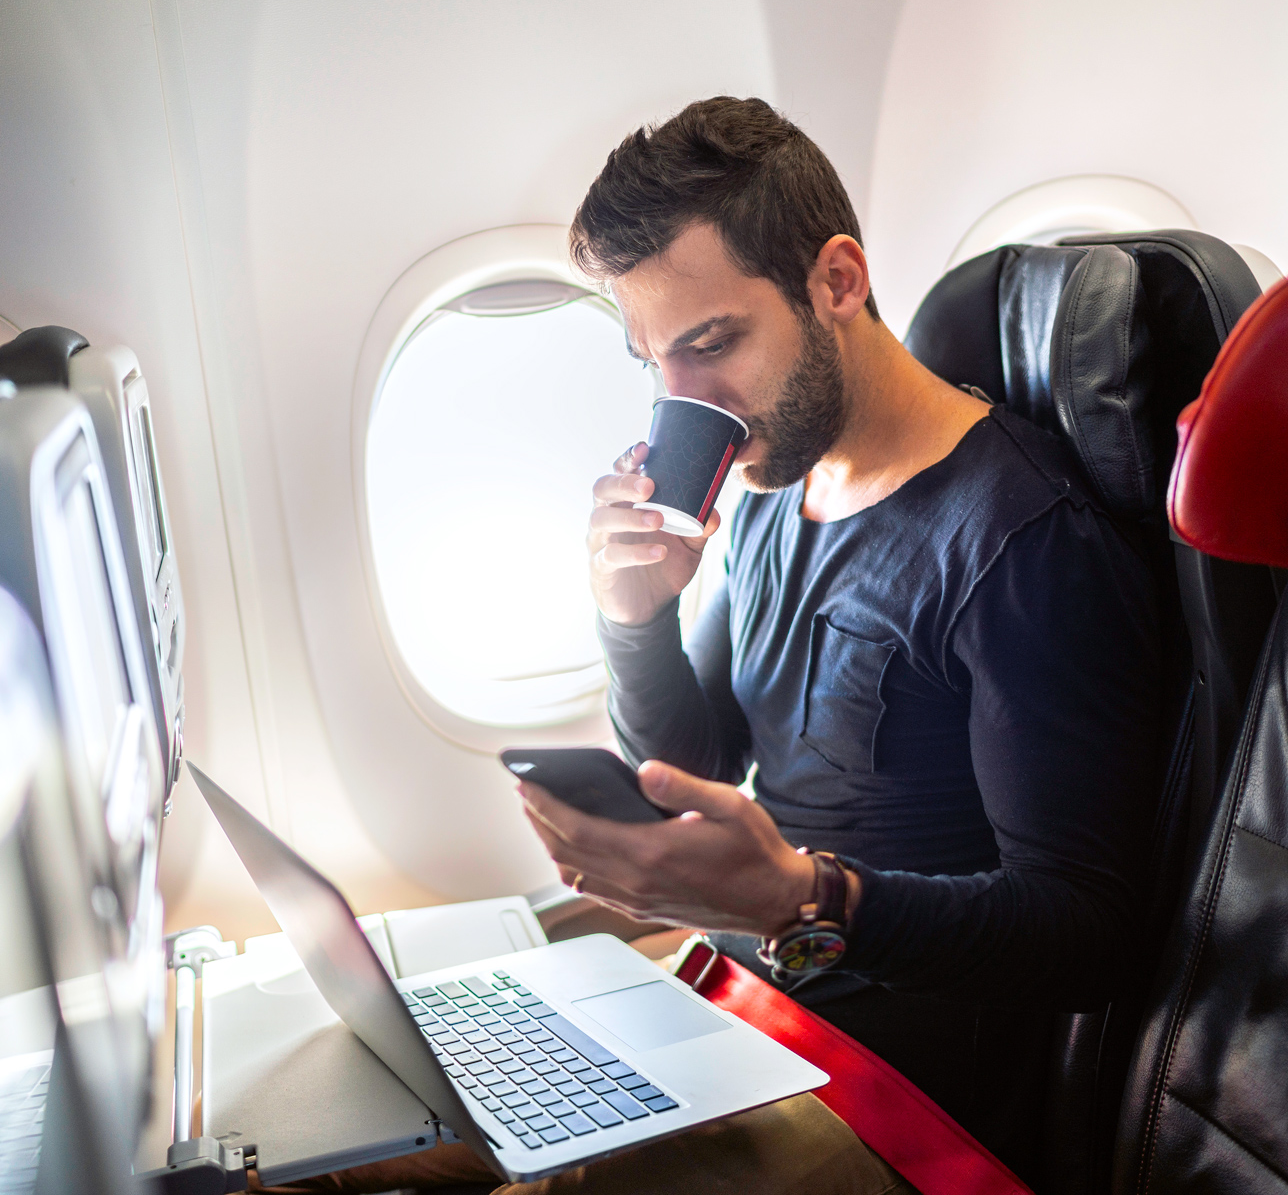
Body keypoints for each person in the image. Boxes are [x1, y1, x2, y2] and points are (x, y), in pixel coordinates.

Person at [260, 95, 1170, 1194]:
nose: (686, 404)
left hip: (893, 1099)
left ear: (837, 281)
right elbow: (695, 757)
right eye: (653, 362)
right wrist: (633, 616)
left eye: (711, 344)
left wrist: (802, 899)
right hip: (734, 1010)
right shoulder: (784, 490)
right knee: (336, 1140)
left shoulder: (1019, 545)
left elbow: (1089, 934)